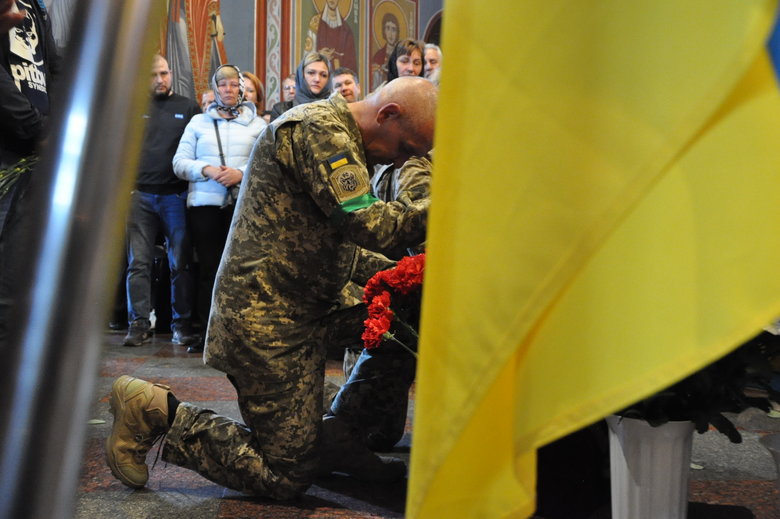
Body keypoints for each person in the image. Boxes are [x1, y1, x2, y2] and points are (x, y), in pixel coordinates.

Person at [105, 76, 438, 499]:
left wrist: (407, 275)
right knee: (284, 475)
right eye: (406, 149)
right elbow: (372, 225)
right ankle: (157, 413)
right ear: (387, 115)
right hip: (266, 317)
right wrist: (449, 202)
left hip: (313, 301)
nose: (401, 161)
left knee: (408, 310)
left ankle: (341, 437)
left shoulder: (349, 142)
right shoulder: (319, 130)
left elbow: (340, 250)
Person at [172, 64, 266, 352]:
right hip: (205, 206)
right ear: (215, 89)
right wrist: (207, 169)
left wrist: (240, 172)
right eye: (222, 85)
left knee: (241, 270)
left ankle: (241, 333)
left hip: (242, 206)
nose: (228, 90)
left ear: (241, 88)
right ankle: (208, 333)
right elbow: (179, 163)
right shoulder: (198, 123)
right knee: (209, 270)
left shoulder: (258, 125)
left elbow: (267, 163)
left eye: (233, 85)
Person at [122, 55, 201, 347]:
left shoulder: (188, 107)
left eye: (165, 73)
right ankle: (139, 324)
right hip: (139, 196)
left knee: (180, 263)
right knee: (138, 263)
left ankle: (181, 325)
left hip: (176, 196)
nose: (160, 79)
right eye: (154, 74)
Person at [0, 0, 60, 349]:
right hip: (10, 154)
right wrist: (38, 129)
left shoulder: (36, 4)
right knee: (7, 289)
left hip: (40, 155)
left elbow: (53, 67)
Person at [270, 52, 332, 121]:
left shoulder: (337, 109)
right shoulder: (281, 110)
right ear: (301, 75)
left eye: (323, 75)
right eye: (311, 73)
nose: (317, 79)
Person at [307, 0, 357, 71]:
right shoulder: (315, 23)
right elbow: (306, 59)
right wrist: (319, 55)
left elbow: (351, 66)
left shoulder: (346, 31)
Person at [370, 11, 399, 92]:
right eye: (388, 28)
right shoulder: (378, 55)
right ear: (384, 31)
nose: (390, 34)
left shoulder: (400, 55)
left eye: (394, 29)